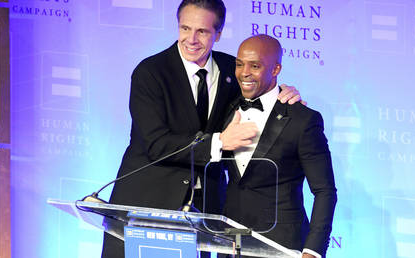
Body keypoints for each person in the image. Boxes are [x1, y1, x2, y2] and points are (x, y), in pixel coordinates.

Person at [101, 1, 304, 257]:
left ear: (218, 34)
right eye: (185, 28)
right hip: (149, 206)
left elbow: (261, 89)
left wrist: (284, 94)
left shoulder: (233, 70)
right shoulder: (150, 73)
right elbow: (156, 144)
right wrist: (219, 142)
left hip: (204, 213)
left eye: (202, 31)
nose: (191, 39)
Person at [216, 34, 337, 258]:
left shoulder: (302, 119)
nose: (244, 73)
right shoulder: (227, 109)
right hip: (231, 244)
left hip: (282, 245)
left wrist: (313, 250)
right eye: (239, 64)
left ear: (275, 69)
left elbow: (325, 191)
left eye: (255, 66)